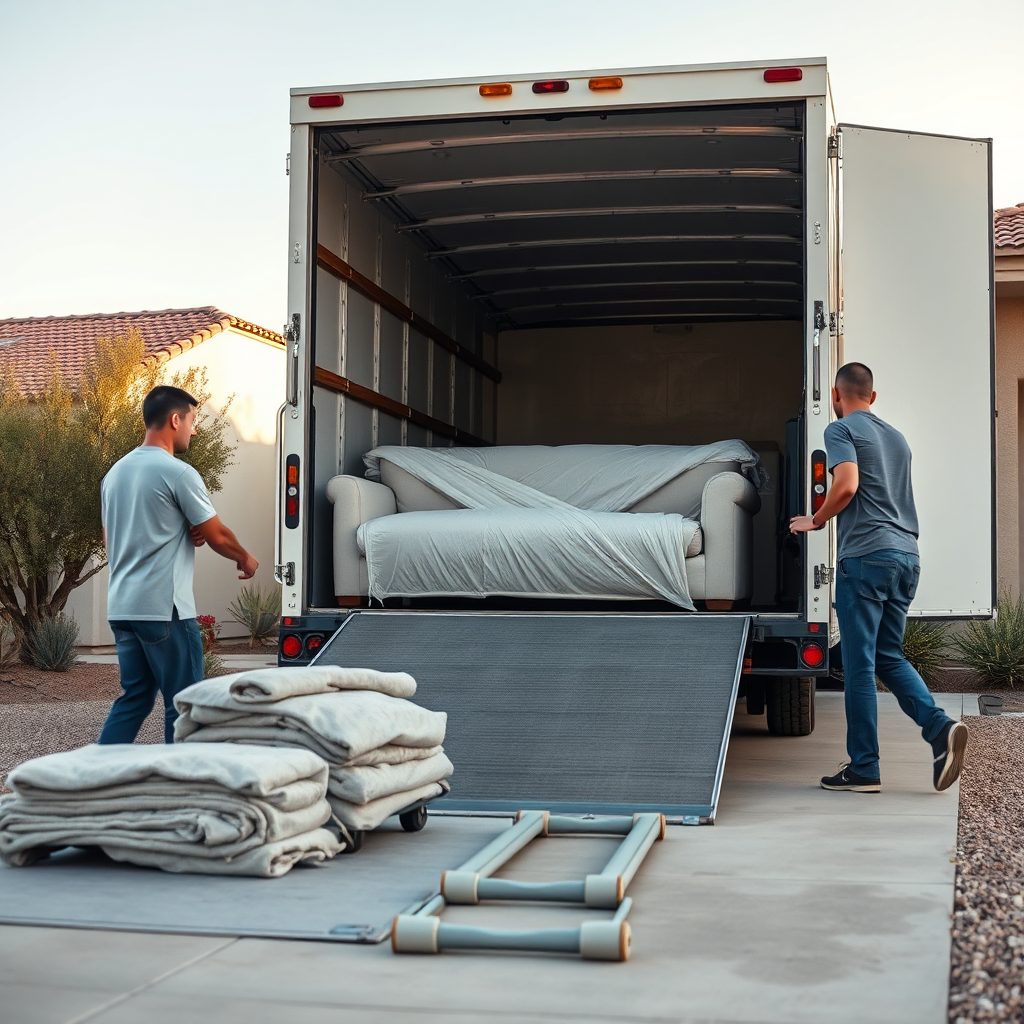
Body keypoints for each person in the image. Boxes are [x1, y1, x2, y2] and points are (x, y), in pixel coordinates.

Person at [789, 363, 967, 793]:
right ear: (873, 395)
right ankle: (939, 729)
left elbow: (846, 486)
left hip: (866, 558)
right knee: (889, 656)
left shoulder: (841, 431)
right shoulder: (897, 438)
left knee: (860, 667)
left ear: (836, 395)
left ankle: (865, 767)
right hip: (907, 556)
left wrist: (815, 520)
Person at [98, 385, 259, 744]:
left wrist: (177, 528)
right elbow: (217, 535)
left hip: (123, 609)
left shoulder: (114, 475)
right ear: (175, 420)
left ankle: (92, 785)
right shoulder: (178, 473)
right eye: (192, 420)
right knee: (185, 705)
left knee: (134, 700)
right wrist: (245, 557)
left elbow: (114, 540)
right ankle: (179, 790)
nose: (194, 429)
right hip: (165, 609)